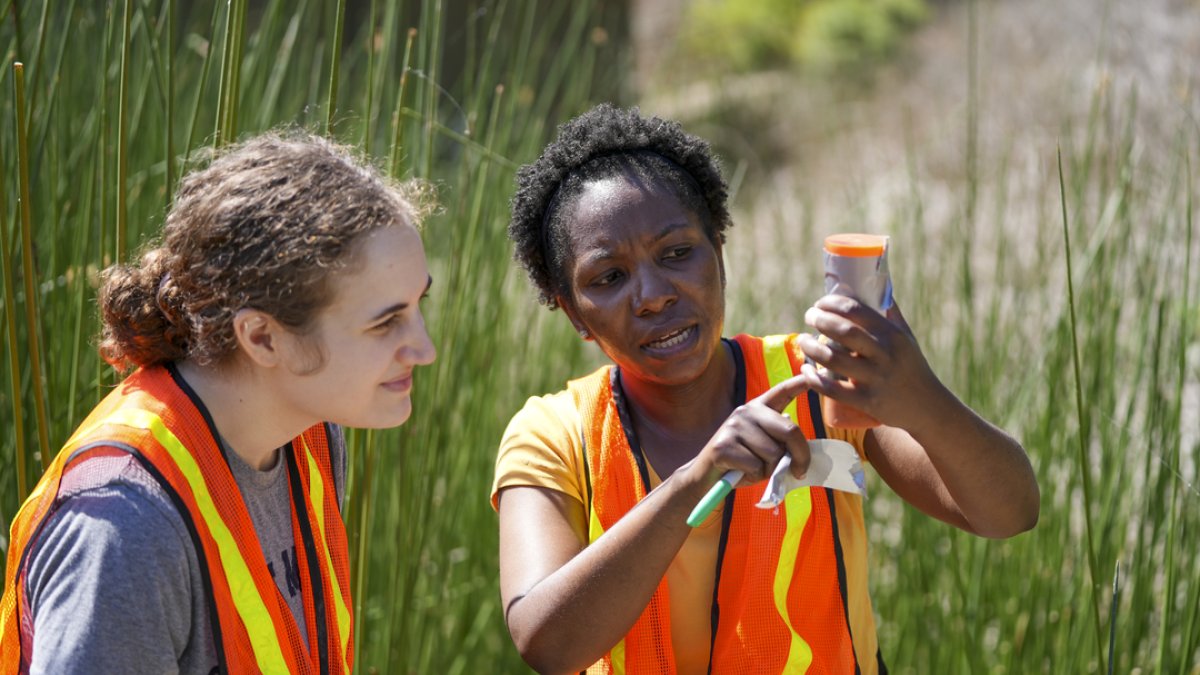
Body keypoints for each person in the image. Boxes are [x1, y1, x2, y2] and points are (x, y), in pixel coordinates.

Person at [492, 104, 1039, 675]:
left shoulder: (817, 382)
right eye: (608, 278)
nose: (653, 294)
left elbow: (1008, 513)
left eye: (677, 253)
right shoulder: (552, 435)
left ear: (719, 255)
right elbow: (547, 644)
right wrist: (697, 478)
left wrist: (922, 398)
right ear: (572, 312)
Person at [0, 133, 437, 675]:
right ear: (263, 338)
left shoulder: (311, 437)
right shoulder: (122, 530)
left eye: (420, 304)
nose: (425, 348)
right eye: (385, 322)